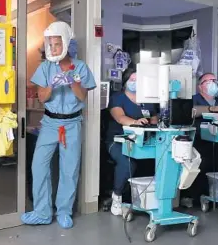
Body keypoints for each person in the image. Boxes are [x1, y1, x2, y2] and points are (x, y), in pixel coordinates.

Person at [21, 21, 96, 229]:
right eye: (50, 45)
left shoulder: (80, 67)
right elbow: (42, 97)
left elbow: (82, 97)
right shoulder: (44, 68)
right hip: (50, 123)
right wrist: (52, 84)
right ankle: (42, 212)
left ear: (65, 43)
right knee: (39, 165)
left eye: (57, 44)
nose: (53, 49)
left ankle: (64, 211)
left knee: (69, 169)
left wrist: (73, 81)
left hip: (72, 123)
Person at [105, 69, 158, 216]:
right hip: (118, 140)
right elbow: (119, 117)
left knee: (160, 158)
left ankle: (151, 198)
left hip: (143, 140)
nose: (135, 82)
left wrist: (154, 123)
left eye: (138, 79)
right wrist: (135, 122)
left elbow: (154, 117)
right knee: (128, 161)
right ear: (126, 81)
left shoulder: (147, 100)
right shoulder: (118, 98)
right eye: (132, 79)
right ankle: (117, 196)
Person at [181, 72, 218, 208]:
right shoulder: (194, 99)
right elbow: (192, 111)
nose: (213, 83)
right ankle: (194, 196)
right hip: (199, 140)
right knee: (202, 163)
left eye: (214, 81)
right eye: (208, 81)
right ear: (200, 87)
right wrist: (211, 109)